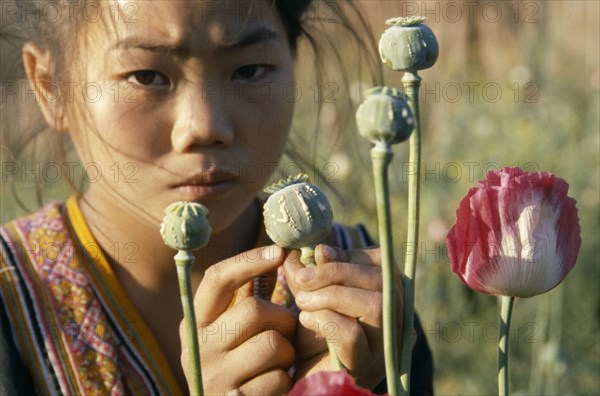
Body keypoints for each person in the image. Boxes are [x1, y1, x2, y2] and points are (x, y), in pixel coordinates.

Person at [0, 1, 433, 394]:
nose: (205, 126)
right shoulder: (11, 300)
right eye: (146, 76)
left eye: (249, 70)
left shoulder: (368, 302)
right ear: (50, 85)